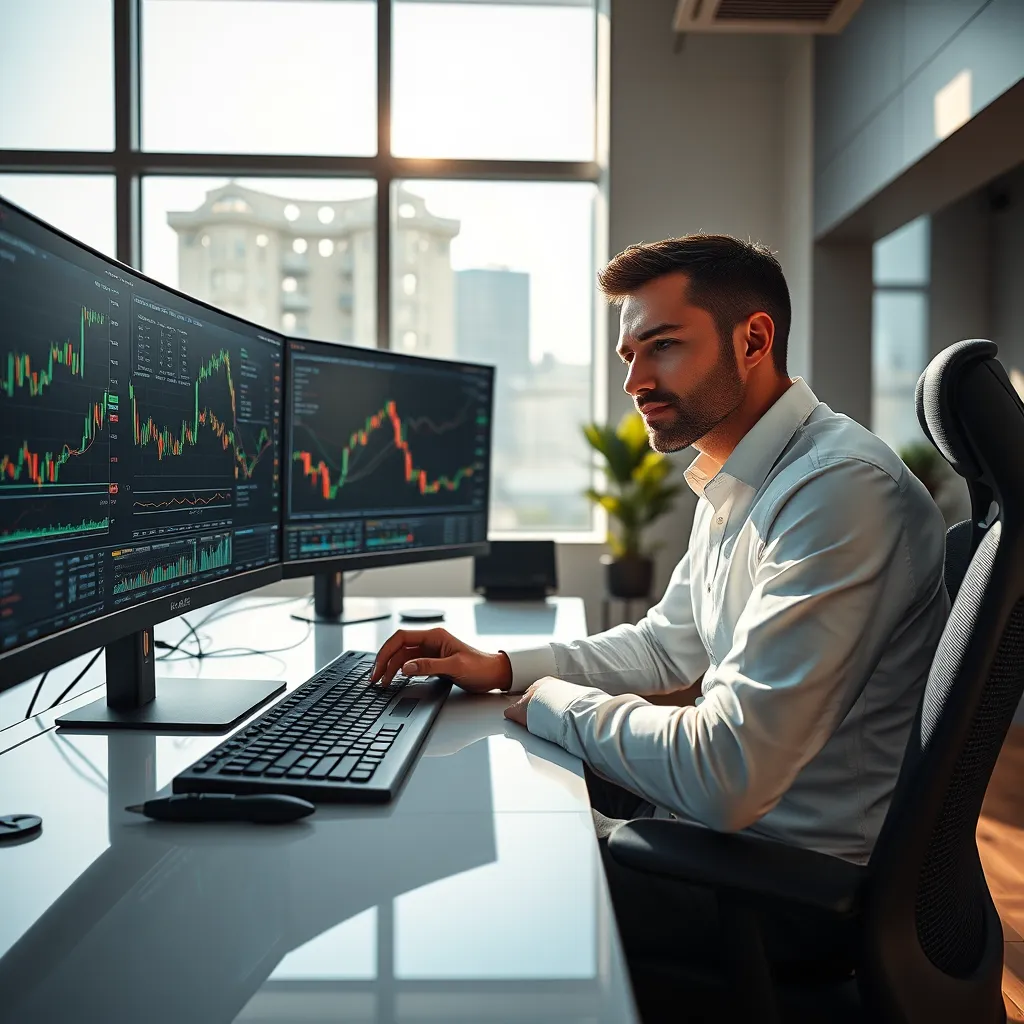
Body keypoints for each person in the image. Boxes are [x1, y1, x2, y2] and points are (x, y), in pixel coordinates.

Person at [370, 234, 949, 1006]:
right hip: (722, 848)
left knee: (481, 883)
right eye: (627, 357)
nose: (636, 381)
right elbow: (664, 646)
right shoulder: (743, 476)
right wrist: (504, 669)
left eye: (663, 347)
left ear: (753, 340)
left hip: (780, 891)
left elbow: (728, 773)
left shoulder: (838, 491)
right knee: (476, 821)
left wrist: (554, 705)